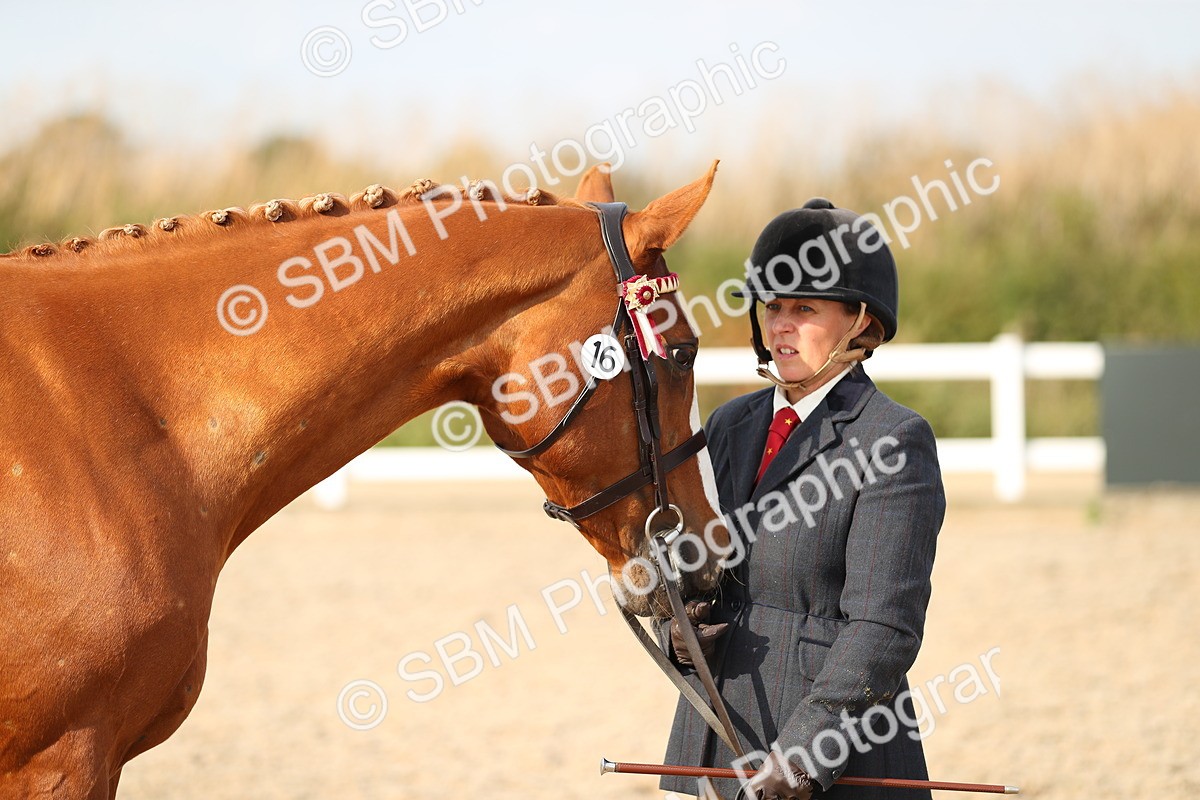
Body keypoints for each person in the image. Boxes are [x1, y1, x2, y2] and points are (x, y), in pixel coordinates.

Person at [655, 198, 946, 800]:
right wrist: (682, 633)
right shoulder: (731, 423)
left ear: (860, 323)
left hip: (829, 751)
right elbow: (700, 566)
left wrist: (807, 753)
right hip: (719, 730)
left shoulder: (893, 439)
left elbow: (885, 625)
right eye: (774, 308)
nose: (780, 325)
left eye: (804, 310)